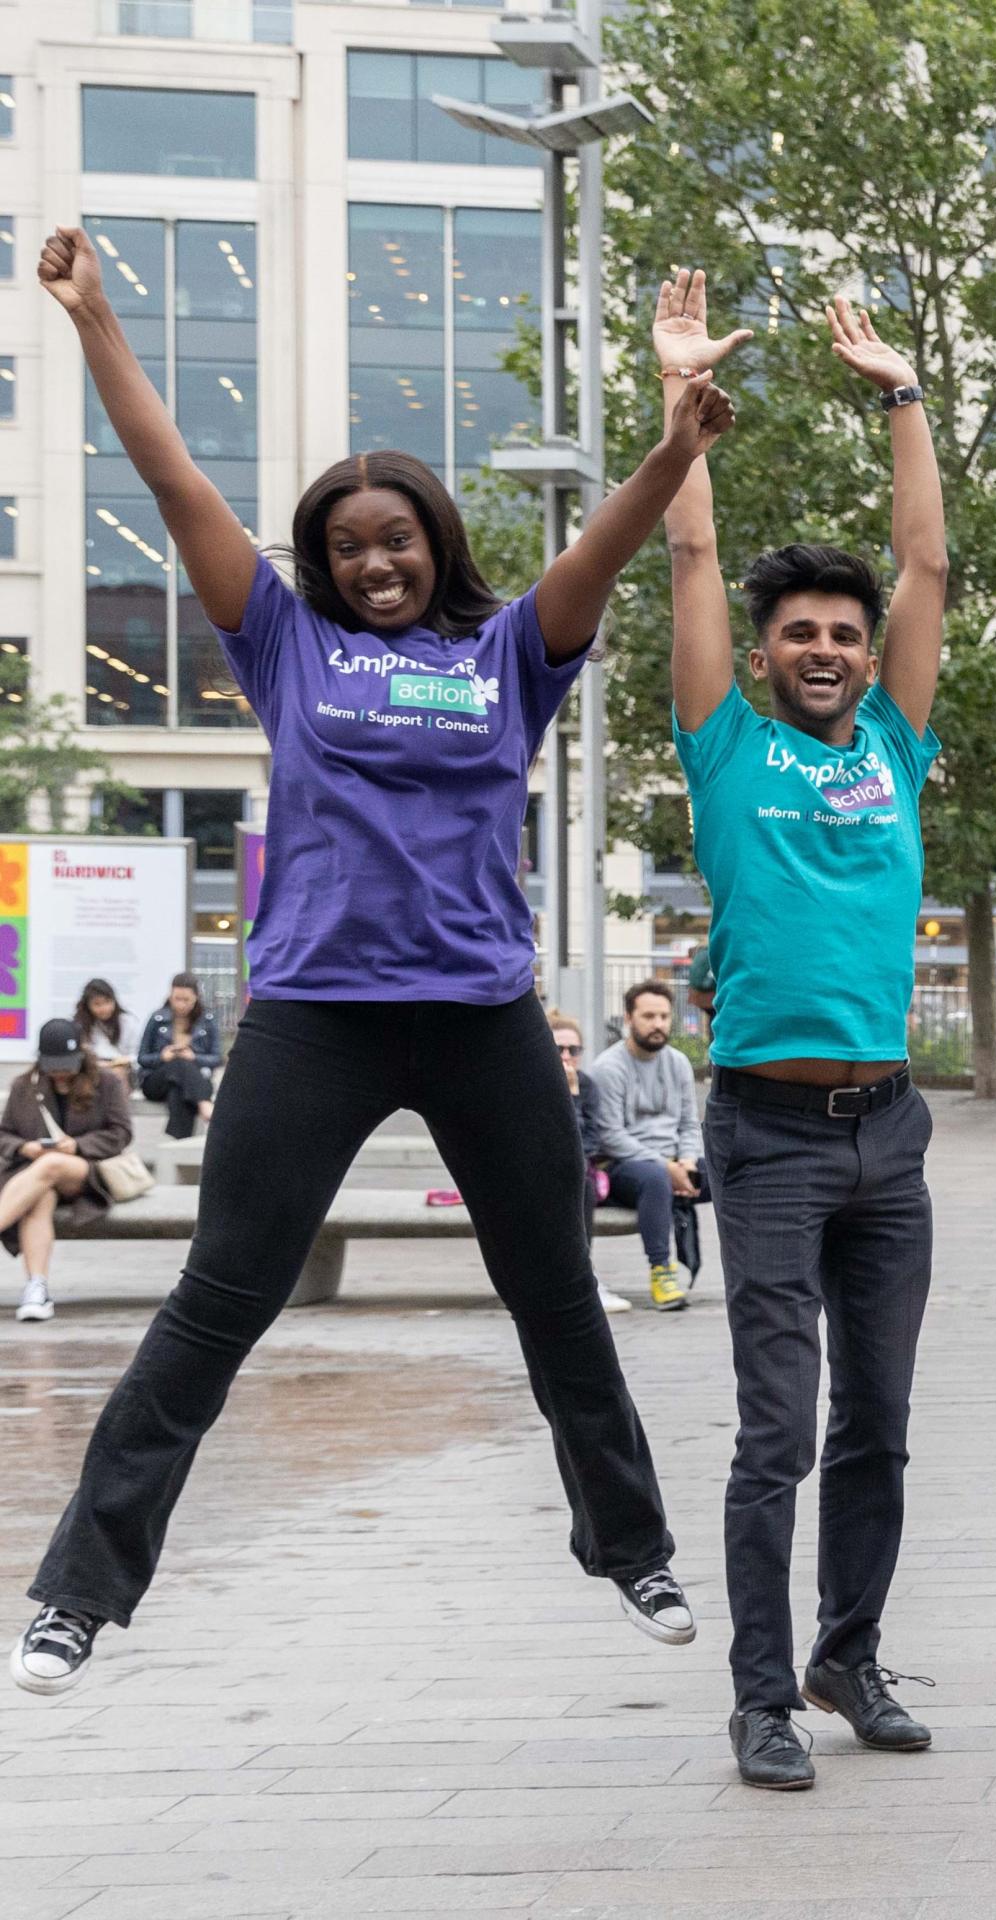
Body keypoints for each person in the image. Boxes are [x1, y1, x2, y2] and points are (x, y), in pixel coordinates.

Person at [10, 223, 730, 1698]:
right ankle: (80, 1593)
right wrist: (95, 326)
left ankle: (634, 1548)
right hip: (318, 1019)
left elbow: (603, 546)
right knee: (221, 1297)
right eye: (348, 546)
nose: (375, 561)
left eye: (396, 538)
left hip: (478, 1019)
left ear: (436, 544)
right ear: (320, 567)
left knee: (556, 1296)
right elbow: (171, 480)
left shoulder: (509, 658)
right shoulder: (284, 645)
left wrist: (667, 445)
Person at [658, 271, 945, 1789]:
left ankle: (849, 1651)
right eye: (805, 633)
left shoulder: (897, 740)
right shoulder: (726, 747)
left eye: (845, 629)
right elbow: (691, 552)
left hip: (887, 1131)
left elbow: (928, 568)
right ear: (768, 653)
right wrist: (679, 405)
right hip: (764, 1135)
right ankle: (761, 1694)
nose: (830, 645)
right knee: (778, 1428)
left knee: (878, 1427)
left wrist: (901, 393)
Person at [0, 1020, 135, 1328]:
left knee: (50, 1166)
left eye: (66, 1066)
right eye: (53, 1066)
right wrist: (25, 1147)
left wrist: (77, 1145)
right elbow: (4, 1133)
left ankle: (36, 1288)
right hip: (33, 1177)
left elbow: (121, 1133)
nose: (60, 1073)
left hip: (85, 1173)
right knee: (40, 1197)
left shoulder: (107, 1082)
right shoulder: (25, 1086)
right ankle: (37, 1289)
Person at [590, 979, 705, 1313]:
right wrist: (666, 1167)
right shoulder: (608, 1067)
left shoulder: (679, 1062)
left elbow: (688, 1123)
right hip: (623, 1166)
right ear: (629, 1018)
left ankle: (753, 1267)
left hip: (674, 1162)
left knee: (732, 1172)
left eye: (664, 1016)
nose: (658, 1025)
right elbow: (611, 1136)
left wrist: (687, 1162)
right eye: (648, 1016)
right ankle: (661, 1271)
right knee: (654, 1178)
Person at [548, 1008, 635, 1318]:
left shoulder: (586, 1085)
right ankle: (575, 1279)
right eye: (558, 1049)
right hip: (536, 1172)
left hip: (574, 1173)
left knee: (581, 1183)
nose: (567, 1056)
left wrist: (572, 1094)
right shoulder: (529, 1085)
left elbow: (588, 1143)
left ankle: (582, 1278)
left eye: (574, 1050)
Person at [135, 973, 221, 1140]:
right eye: (177, 998)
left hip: (193, 1081)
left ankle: (178, 1146)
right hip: (157, 1080)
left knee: (179, 1091)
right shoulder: (158, 1018)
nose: (181, 1005)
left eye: (186, 1000)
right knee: (178, 1063)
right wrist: (162, 1057)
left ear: (196, 997)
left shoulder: (208, 1021)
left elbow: (216, 1058)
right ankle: (204, 1102)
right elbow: (142, 1058)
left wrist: (194, 1057)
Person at [72, 981, 134, 1081]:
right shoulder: (79, 1024)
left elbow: (135, 1053)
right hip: (92, 1067)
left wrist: (120, 1062)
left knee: (117, 1074)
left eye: (107, 1002)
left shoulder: (126, 1021)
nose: (104, 1008)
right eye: (97, 1004)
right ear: (87, 1005)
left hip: (120, 1066)